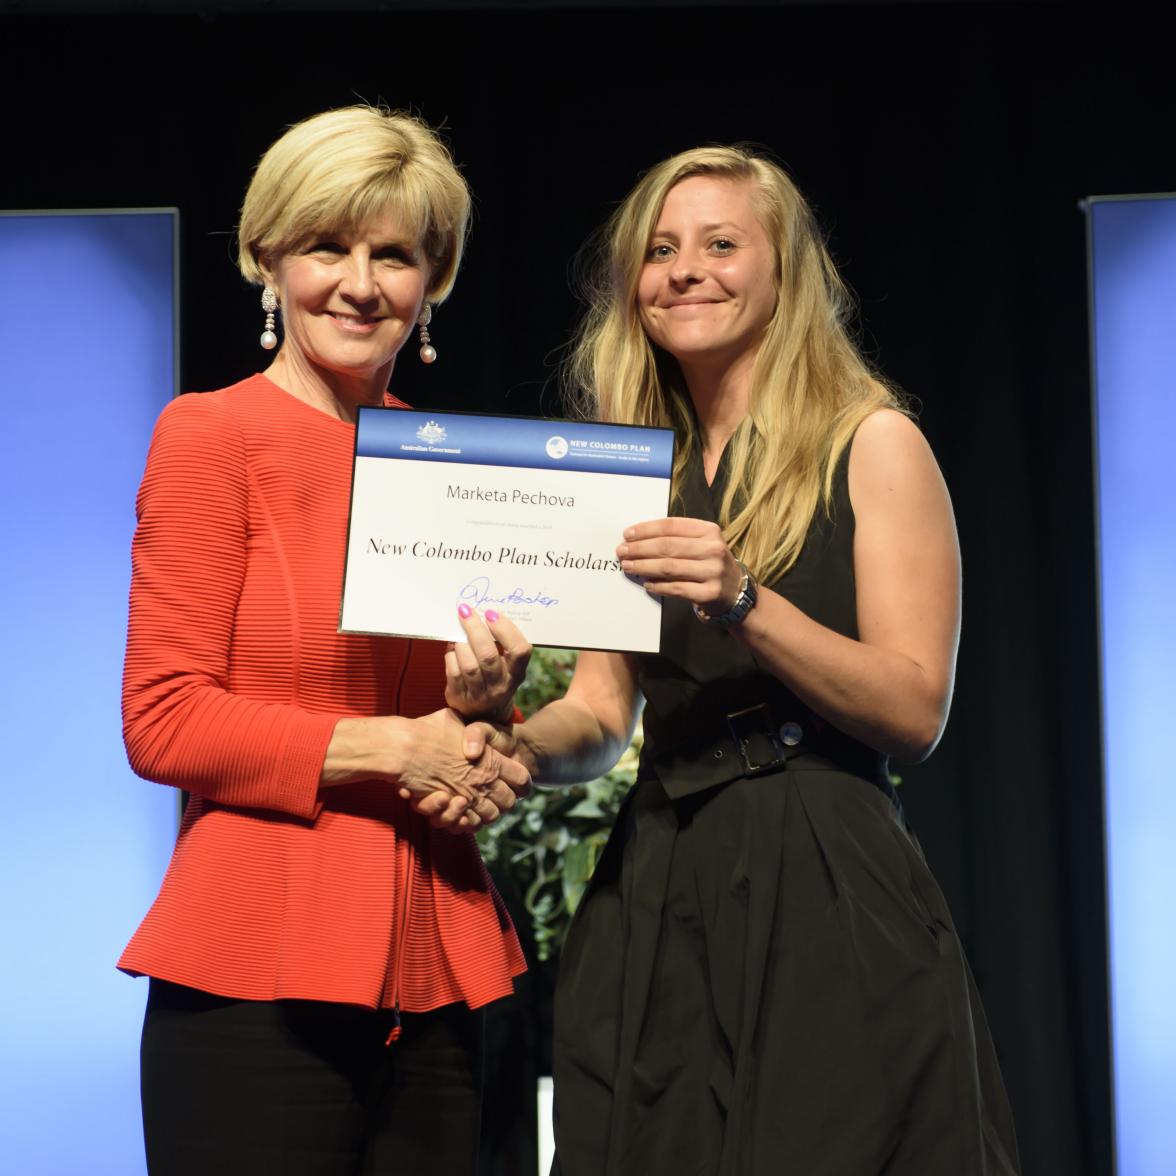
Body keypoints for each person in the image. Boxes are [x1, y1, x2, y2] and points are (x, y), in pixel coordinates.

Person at [462, 146, 1022, 1173]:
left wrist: (744, 601)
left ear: (783, 272)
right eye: (662, 250)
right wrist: (512, 747)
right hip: (658, 871)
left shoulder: (871, 441)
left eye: (723, 245)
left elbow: (914, 708)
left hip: (819, 866)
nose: (687, 270)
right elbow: (599, 712)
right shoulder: (631, 467)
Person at [119, 105, 533, 1176]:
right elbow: (164, 721)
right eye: (325, 247)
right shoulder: (210, 435)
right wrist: (405, 748)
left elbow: (453, 725)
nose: (360, 283)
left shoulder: (445, 465)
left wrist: (486, 716)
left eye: (394, 254)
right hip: (256, 967)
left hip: (439, 962)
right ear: (269, 258)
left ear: (432, 279)